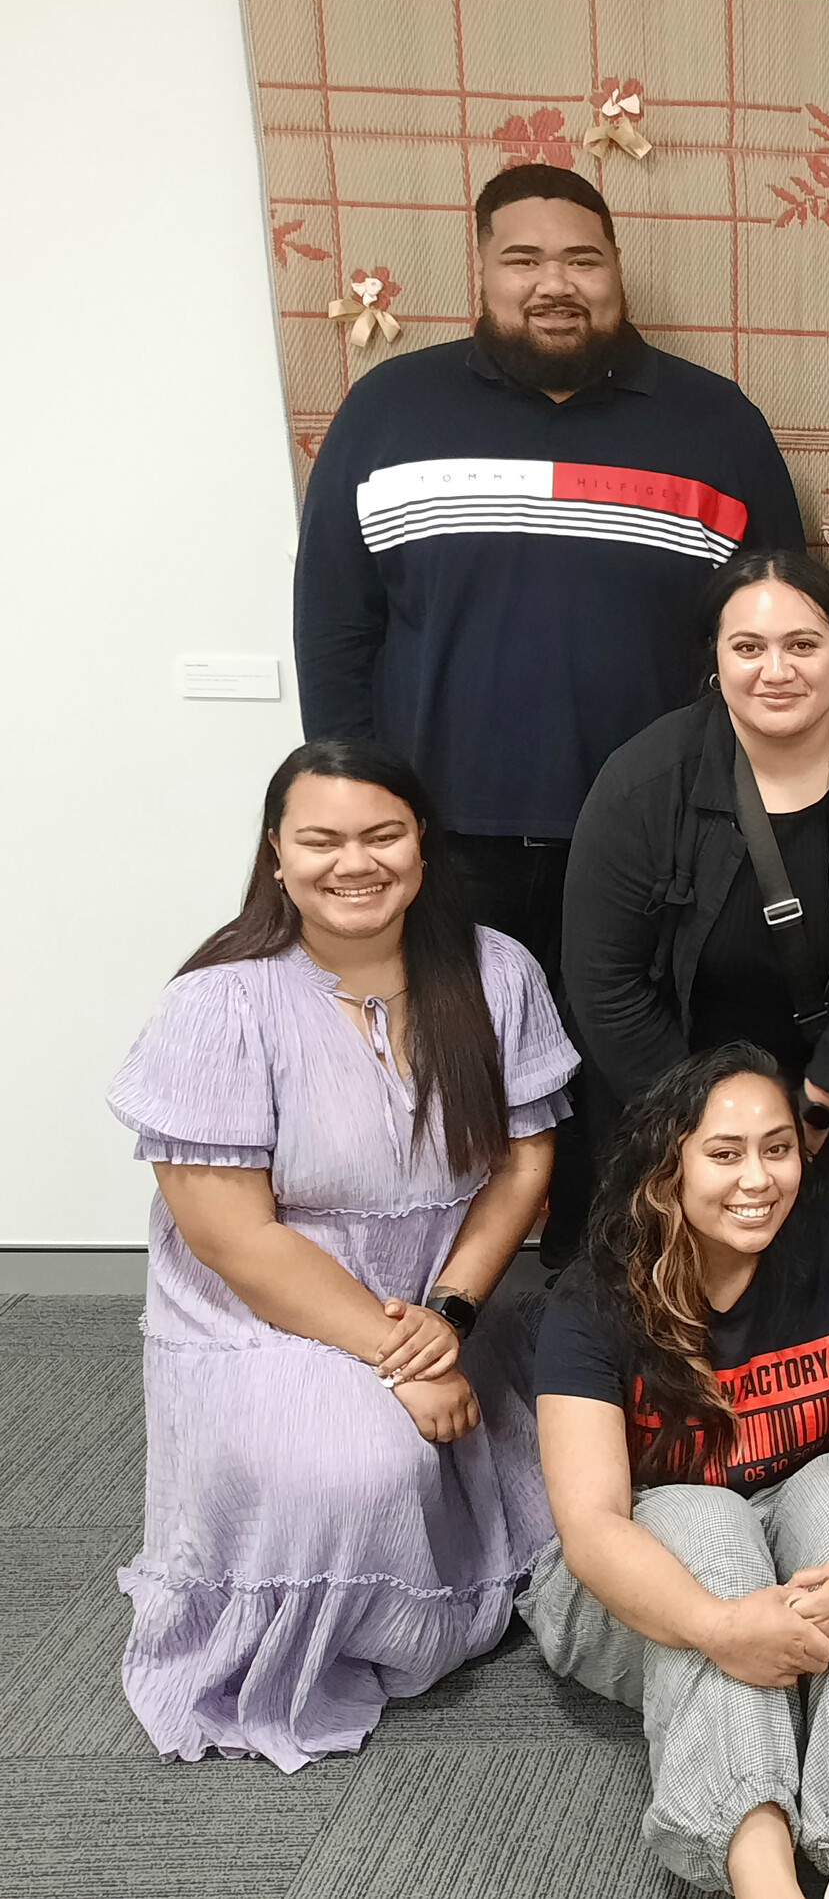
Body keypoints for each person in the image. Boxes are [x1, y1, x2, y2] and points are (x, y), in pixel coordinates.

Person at [294, 162, 806, 1258]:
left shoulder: (716, 425)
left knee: (630, 1099)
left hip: (656, 840)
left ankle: (607, 1322)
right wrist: (356, 820)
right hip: (442, 839)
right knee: (446, 1093)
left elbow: (777, 636)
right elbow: (336, 626)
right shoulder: (390, 411)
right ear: (480, 271)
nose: (554, 284)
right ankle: (435, 1328)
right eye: (523, 259)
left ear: (617, 271)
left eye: (581, 258)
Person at [104, 740, 576, 1770]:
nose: (351, 863)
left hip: (440, 1299)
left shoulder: (498, 971)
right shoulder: (218, 1003)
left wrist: (444, 1321)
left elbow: (521, 1171)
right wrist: (394, 1356)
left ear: (421, 847)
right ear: (277, 854)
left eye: (382, 836)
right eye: (320, 840)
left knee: (605, 1448)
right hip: (262, 1316)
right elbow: (235, 1239)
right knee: (363, 1471)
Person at [528, 1046, 829, 1899]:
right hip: (635, 1588)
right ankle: (764, 1879)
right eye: (724, 1154)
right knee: (705, 1519)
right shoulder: (594, 1297)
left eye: (777, 1149)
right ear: (666, 1163)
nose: (758, 1179)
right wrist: (720, 1627)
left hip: (795, 1552)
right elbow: (592, 1526)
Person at [562, 549, 829, 1218]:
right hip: (664, 1094)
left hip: (823, 1092)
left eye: (803, 644)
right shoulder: (643, 782)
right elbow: (604, 980)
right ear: (715, 660)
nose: (777, 671)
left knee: (811, 1295)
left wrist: (817, 1109)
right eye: (748, 647)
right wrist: (706, 1133)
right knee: (665, 1293)